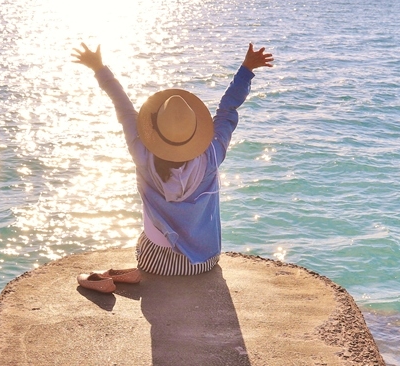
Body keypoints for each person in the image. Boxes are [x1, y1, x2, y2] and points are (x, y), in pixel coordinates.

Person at [72, 42, 273, 276]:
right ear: (195, 132)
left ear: (155, 132)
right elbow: (227, 111)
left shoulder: (143, 155)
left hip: (155, 263)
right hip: (204, 261)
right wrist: (246, 70)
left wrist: (99, 68)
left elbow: (124, 108)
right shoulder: (211, 155)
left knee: (147, 237)